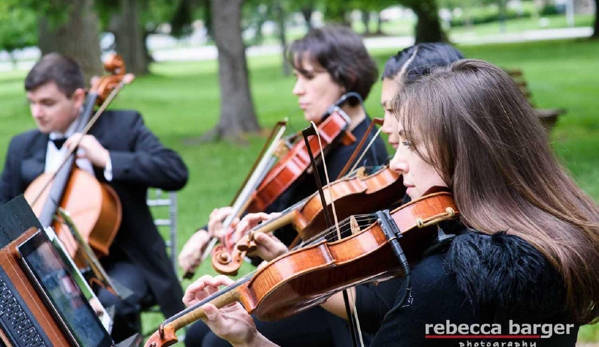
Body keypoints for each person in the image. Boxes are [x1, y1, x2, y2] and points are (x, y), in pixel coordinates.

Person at [183, 59, 599, 346]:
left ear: (466, 157)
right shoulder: (555, 247)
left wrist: (251, 340)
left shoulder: (444, 283)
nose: (396, 164)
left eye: (412, 146)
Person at [183, 43, 466, 347]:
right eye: (386, 109)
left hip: (347, 314)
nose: (388, 126)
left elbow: (375, 301)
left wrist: (290, 265)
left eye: (394, 110)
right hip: (340, 300)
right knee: (204, 333)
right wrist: (281, 258)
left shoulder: (445, 249)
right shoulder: (396, 179)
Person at [181, 25, 390, 347]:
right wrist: (208, 232)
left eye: (307, 77)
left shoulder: (364, 156)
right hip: (295, 280)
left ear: (346, 77)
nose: (297, 90)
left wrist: (265, 251)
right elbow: (267, 206)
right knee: (197, 332)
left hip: (332, 303)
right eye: (295, 77)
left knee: (212, 342)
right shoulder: (319, 144)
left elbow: (334, 261)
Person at [0, 53, 189, 343]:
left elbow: (175, 171)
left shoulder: (123, 127)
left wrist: (107, 158)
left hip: (122, 262)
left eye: (47, 103)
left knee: (107, 304)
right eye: (33, 103)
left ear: (78, 98)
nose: (37, 112)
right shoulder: (22, 146)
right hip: (46, 266)